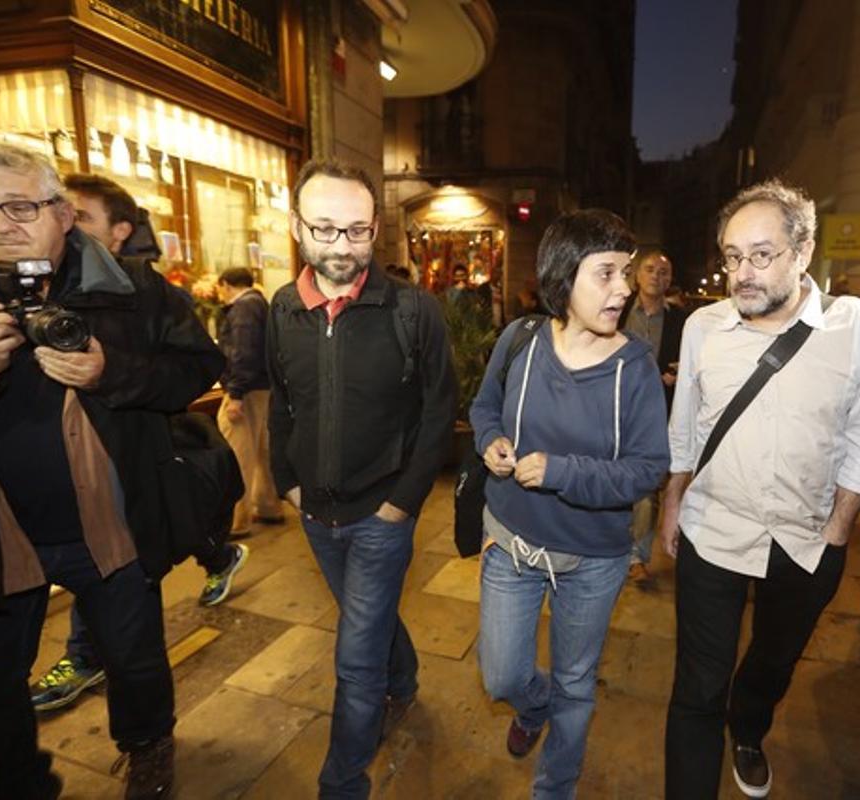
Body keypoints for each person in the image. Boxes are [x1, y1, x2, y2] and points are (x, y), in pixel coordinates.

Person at [0, 141, 224, 798]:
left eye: (19, 205)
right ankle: (17, 781)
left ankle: (149, 749)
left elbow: (197, 369)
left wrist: (112, 374)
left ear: (63, 213)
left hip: (108, 524)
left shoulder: (131, 288)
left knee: (133, 660)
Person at [660, 180, 860, 799]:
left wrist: (840, 528)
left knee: (773, 660)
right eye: (732, 256)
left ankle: (751, 727)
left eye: (761, 255)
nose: (742, 273)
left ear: (804, 250)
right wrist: (671, 501)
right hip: (714, 531)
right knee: (697, 687)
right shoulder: (703, 327)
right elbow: (684, 427)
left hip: (806, 540)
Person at [266, 158, 457, 799]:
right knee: (363, 619)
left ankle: (342, 782)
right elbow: (282, 401)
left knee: (354, 660)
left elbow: (439, 410)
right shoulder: (282, 308)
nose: (341, 246)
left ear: (377, 229)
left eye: (356, 230)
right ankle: (403, 682)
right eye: (324, 229)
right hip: (316, 514)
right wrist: (285, 479)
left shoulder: (412, 310)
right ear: (297, 227)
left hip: (381, 515)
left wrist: (402, 503)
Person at [27, 174, 250, 716]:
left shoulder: (143, 292)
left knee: (132, 635)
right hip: (22, 515)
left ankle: (139, 733)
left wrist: (111, 372)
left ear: (121, 231)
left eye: (79, 216)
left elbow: (199, 365)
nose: (61, 223)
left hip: (123, 495)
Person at [470, 208, 669, 798]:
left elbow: (647, 469)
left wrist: (561, 472)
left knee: (577, 683)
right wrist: (489, 443)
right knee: (501, 674)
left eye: (626, 273)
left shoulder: (634, 368)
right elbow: (483, 408)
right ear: (565, 276)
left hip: (593, 562)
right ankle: (533, 707)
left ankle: (555, 787)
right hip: (511, 546)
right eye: (606, 273)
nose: (623, 288)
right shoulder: (521, 340)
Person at [617, 250, 688, 582]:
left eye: (664, 271)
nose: (657, 276)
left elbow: (692, 364)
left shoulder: (681, 321)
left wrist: (680, 374)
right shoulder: (617, 310)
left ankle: (636, 557)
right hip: (612, 408)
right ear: (636, 275)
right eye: (650, 270)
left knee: (648, 486)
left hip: (657, 412)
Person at [215, 266, 281, 537]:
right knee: (262, 450)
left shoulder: (243, 309)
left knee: (237, 452)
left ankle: (237, 519)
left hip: (247, 389)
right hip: (263, 387)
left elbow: (243, 351)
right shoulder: (259, 304)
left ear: (225, 284)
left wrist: (236, 394)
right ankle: (268, 505)